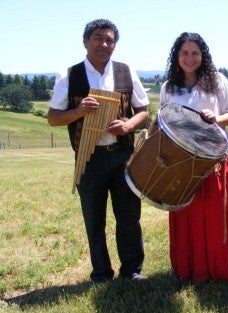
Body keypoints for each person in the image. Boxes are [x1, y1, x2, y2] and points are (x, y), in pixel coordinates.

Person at [47, 19, 149, 284]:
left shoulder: (126, 71)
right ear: (86, 41)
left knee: (129, 216)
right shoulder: (69, 75)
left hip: (123, 155)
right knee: (94, 219)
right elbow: (53, 118)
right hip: (89, 159)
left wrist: (127, 125)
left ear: (115, 44)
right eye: (98, 38)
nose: (104, 44)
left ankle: (132, 270)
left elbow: (143, 112)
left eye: (110, 40)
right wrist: (79, 111)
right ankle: (101, 274)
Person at [159, 32, 228, 282]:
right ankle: (189, 270)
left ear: (203, 55)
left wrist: (216, 118)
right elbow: (162, 119)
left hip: (214, 161)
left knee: (215, 216)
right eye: (184, 53)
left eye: (195, 53)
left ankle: (221, 269)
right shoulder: (168, 87)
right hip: (181, 163)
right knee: (187, 216)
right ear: (177, 57)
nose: (190, 58)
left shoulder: (217, 81)